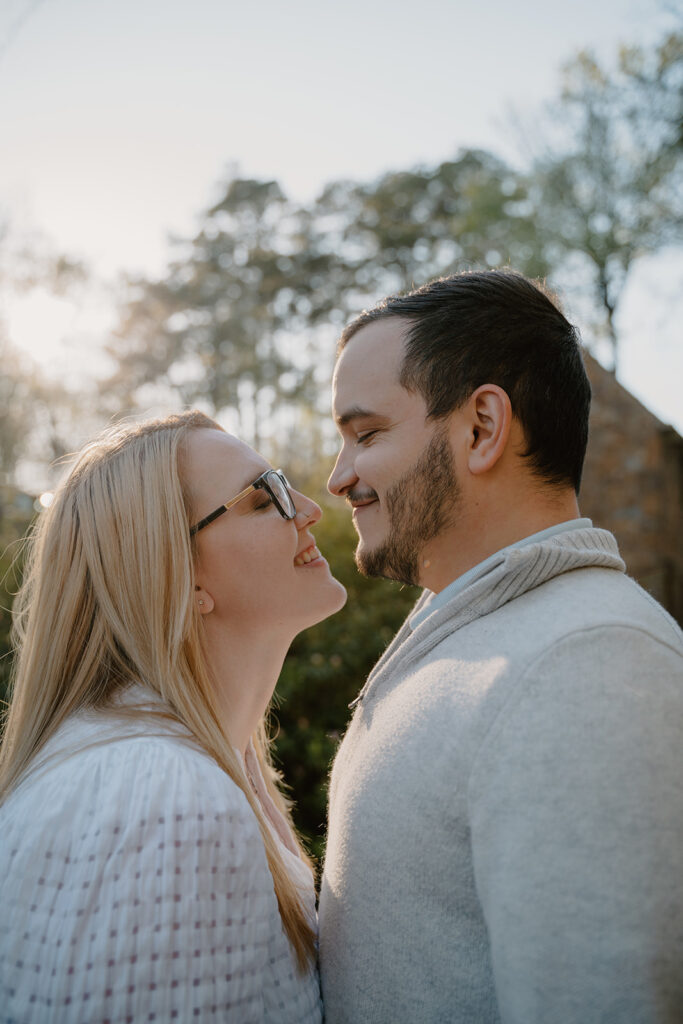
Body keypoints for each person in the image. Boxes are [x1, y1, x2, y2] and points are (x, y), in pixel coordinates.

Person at [319, 270, 683, 1023]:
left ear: (481, 427)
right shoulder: (479, 630)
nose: (338, 477)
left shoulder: (587, 664)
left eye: (366, 433)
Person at [0, 409, 346, 1023]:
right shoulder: (163, 799)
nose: (309, 509)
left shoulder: (194, 766)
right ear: (180, 576)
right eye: (264, 498)